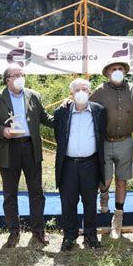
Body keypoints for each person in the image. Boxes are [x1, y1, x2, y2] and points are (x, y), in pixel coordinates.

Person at [0, 64, 54, 248]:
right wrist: (2, 130)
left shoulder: (33, 95)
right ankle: (13, 232)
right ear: (7, 79)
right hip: (8, 149)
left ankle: (38, 231)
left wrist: (65, 116)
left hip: (31, 148)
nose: (21, 77)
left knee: (37, 192)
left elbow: (45, 118)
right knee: (9, 193)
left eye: (22, 74)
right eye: (17, 74)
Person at [90, 59, 133, 239]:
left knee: (122, 181)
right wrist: (69, 102)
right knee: (105, 179)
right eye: (114, 69)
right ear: (107, 73)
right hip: (105, 141)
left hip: (126, 142)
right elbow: (86, 106)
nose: (117, 71)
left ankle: (118, 217)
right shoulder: (100, 90)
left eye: (120, 68)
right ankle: (103, 196)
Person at [54, 78, 107, 251]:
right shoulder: (61, 112)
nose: (81, 92)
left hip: (90, 163)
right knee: (68, 202)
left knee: (90, 201)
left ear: (90, 92)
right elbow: (59, 137)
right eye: (77, 89)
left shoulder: (99, 111)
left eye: (85, 88)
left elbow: (101, 135)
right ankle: (69, 235)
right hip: (68, 164)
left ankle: (90, 234)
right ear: (71, 93)